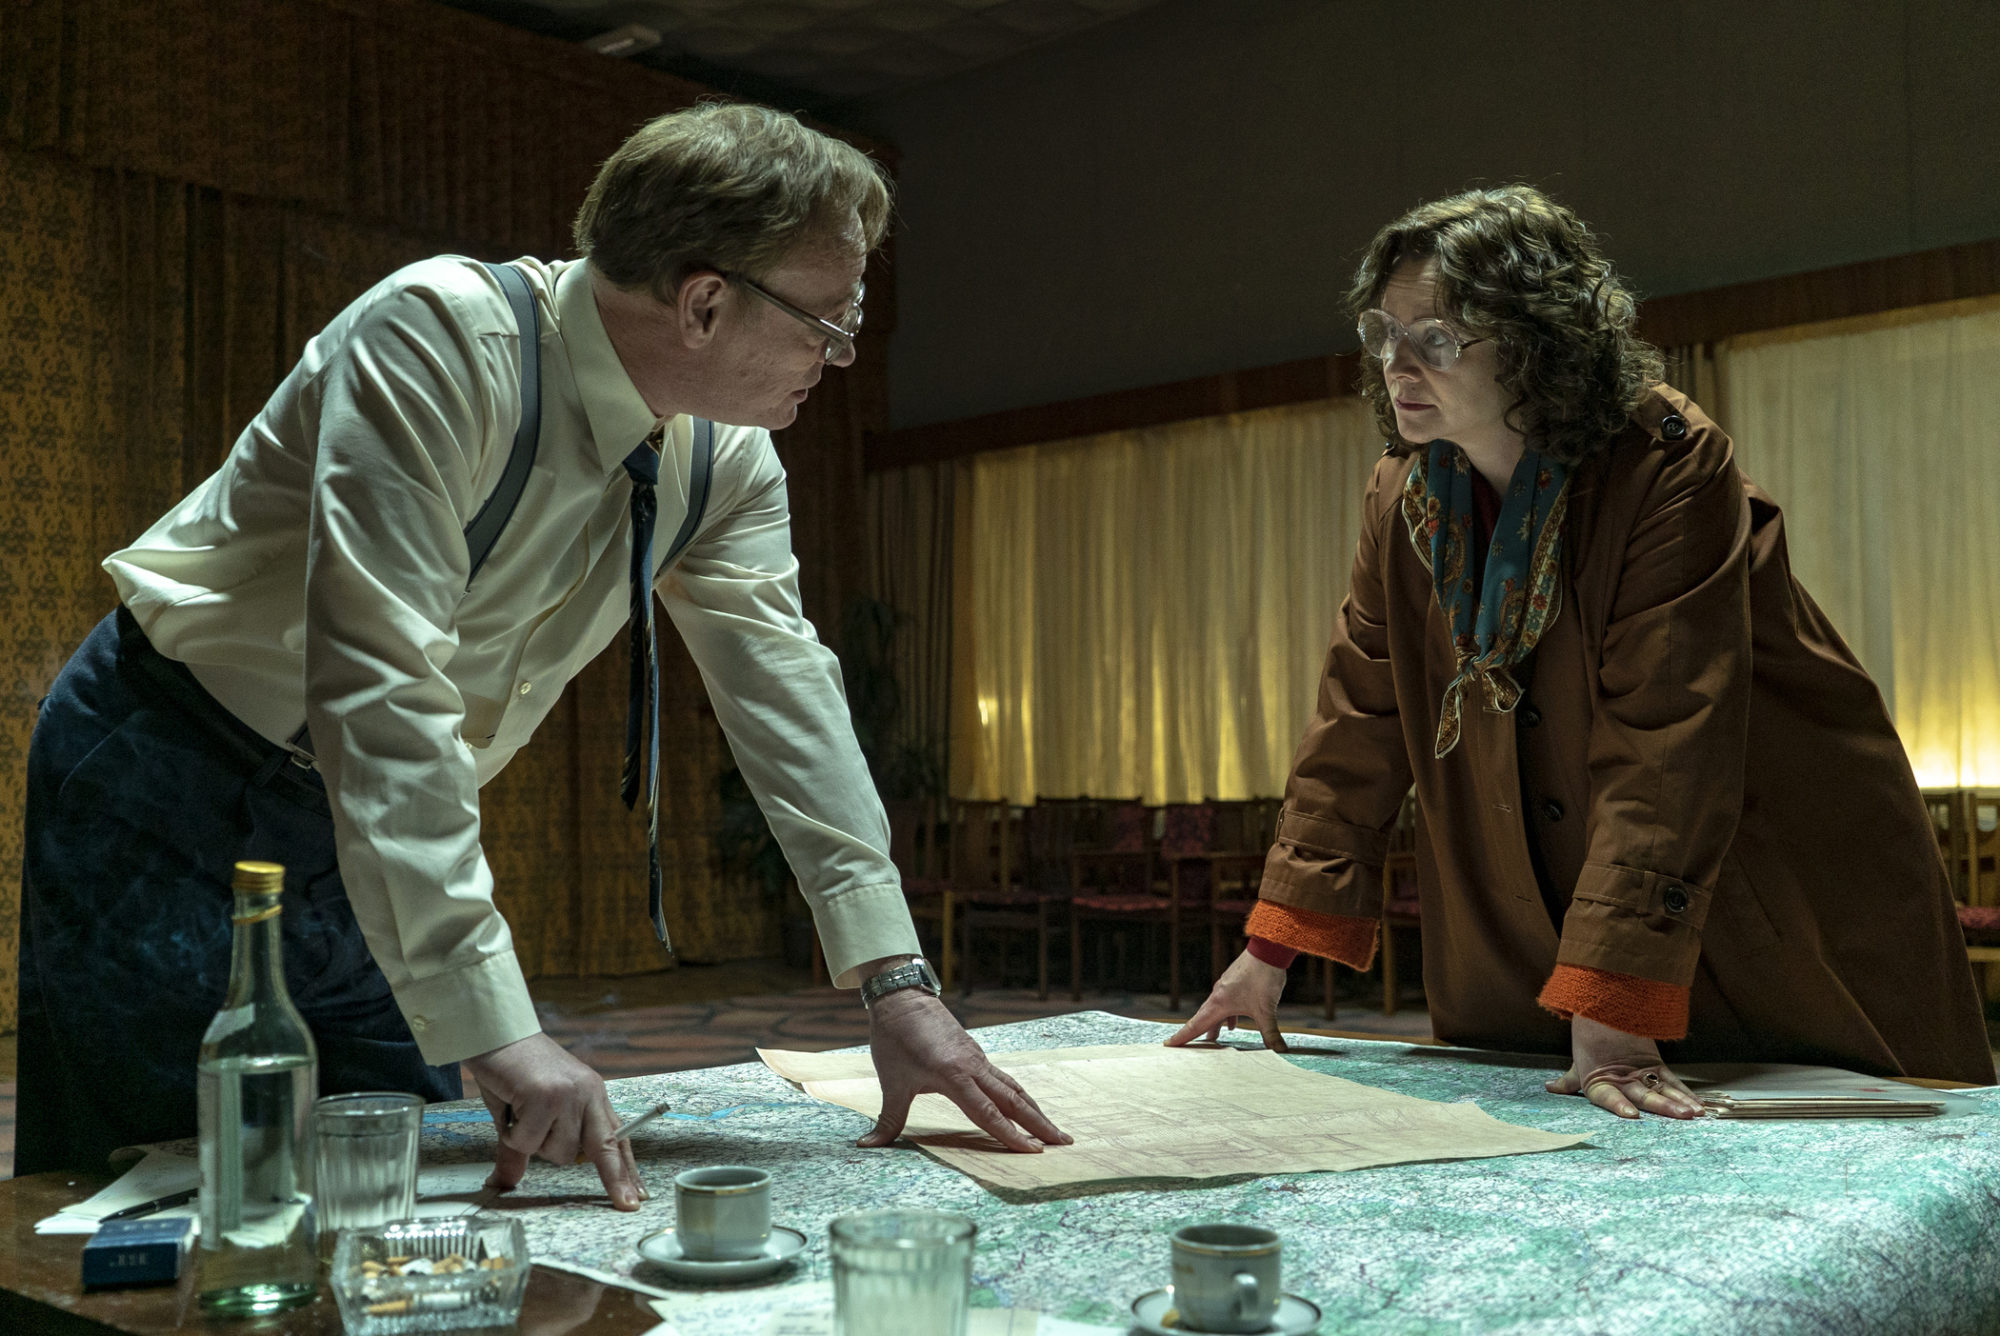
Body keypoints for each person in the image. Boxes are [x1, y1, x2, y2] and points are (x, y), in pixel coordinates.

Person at [18, 102, 1067, 1192]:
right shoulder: (435, 341)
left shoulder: (726, 458)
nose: (838, 357)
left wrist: (895, 983)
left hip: (363, 825)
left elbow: (786, 695)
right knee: (161, 1190)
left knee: (391, 1184)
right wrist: (497, 1027)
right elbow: (380, 692)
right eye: (829, 324)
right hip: (168, 769)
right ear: (705, 303)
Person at [1170, 185, 1995, 1113]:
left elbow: (1667, 741)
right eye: (1382, 332)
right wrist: (1267, 952)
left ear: (1535, 341)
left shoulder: (1669, 464)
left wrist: (1611, 998)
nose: (1398, 363)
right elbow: (1359, 720)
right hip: (1539, 889)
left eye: (1436, 337)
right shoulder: (1401, 494)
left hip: (1759, 875)